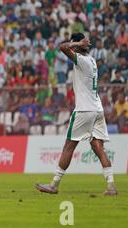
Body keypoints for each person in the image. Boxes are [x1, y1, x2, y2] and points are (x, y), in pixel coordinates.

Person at [36, 33, 117, 196]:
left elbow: (62, 47)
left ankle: (54, 185)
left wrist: (77, 43)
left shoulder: (83, 61)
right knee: (98, 147)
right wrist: (80, 44)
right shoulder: (92, 61)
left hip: (84, 110)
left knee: (68, 147)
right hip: (97, 109)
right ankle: (111, 186)